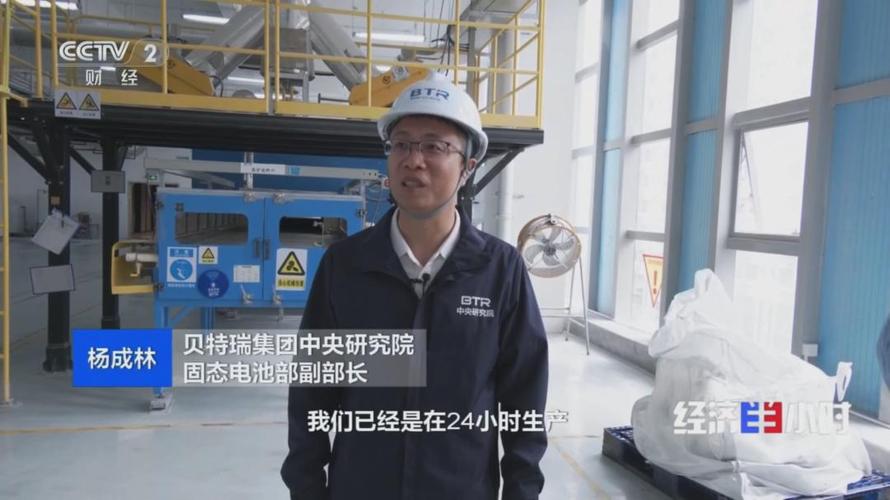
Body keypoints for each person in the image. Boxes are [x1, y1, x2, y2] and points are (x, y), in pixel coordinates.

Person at [281, 71, 549, 500]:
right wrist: (307, 489)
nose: (413, 160)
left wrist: (522, 492)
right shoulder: (346, 266)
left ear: (468, 167)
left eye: (434, 146)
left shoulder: (500, 271)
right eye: (401, 144)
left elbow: (524, 402)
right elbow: (312, 394)